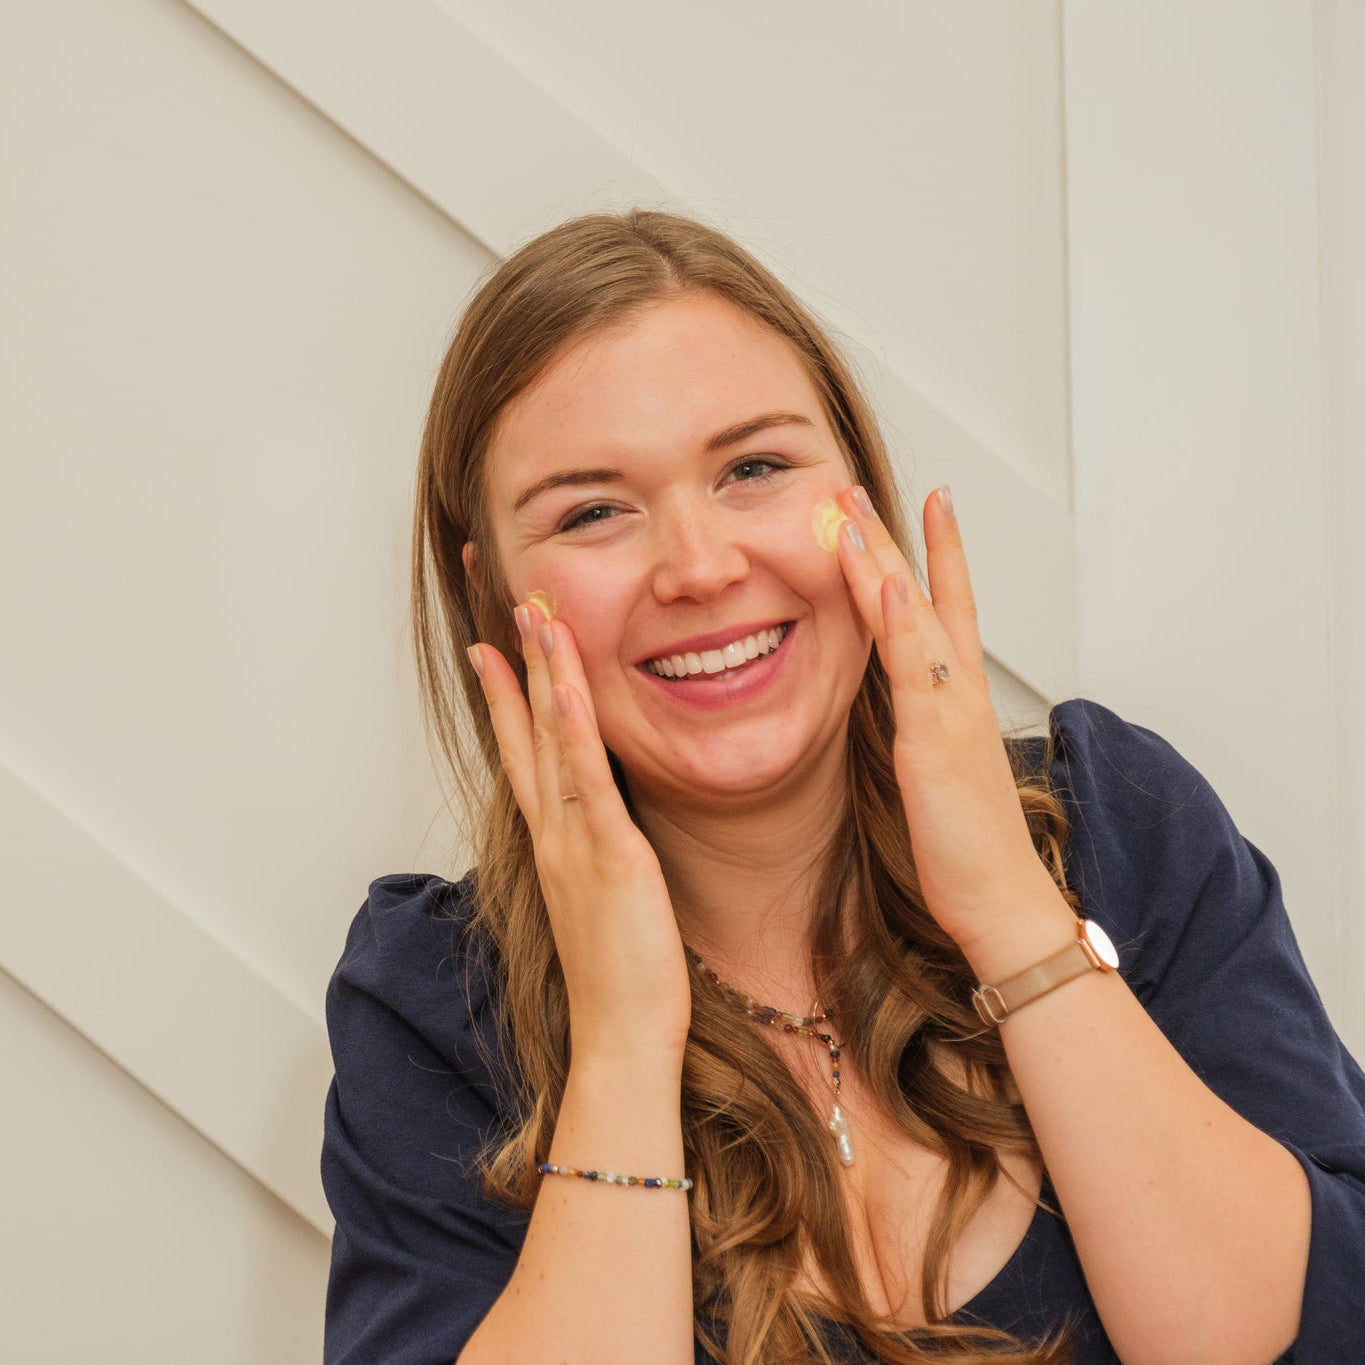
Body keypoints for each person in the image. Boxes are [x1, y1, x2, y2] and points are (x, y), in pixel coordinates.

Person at [320, 210, 1365, 1365]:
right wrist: (622, 1040)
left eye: (754, 468)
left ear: (858, 494)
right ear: (491, 597)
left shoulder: (1120, 821)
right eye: (592, 512)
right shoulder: (433, 1002)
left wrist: (1013, 915)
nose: (704, 568)